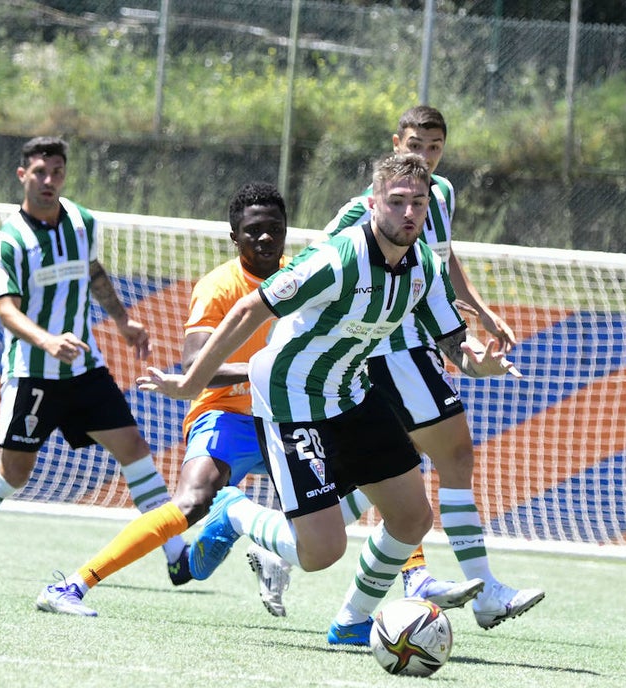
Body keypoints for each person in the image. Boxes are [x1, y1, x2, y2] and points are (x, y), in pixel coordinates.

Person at [138, 153, 521, 646]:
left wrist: (475, 364)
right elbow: (250, 307)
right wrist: (194, 381)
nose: (408, 213)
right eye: (397, 201)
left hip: (350, 392)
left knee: (412, 518)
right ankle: (233, 510)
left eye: (418, 203)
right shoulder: (338, 259)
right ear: (373, 204)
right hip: (290, 400)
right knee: (320, 552)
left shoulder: (424, 264)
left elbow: (453, 341)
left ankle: (353, 622)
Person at [210, 106, 544, 631]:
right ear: (395, 147)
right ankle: (434, 579)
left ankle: (364, 606)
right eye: (415, 146)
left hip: (385, 363)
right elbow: (306, 276)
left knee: (407, 486)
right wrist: (192, 379)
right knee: (440, 460)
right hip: (360, 360)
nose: (423, 159)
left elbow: (442, 257)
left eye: (433, 149)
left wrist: (476, 315)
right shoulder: (354, 224)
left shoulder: (440, 196)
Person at [0, 136, 187, 582]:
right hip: (33, 375)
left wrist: (124, 322)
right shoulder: (10, 239)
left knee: (135, 449)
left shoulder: (83, 223)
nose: (49, 181)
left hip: (85, 369)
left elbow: (93, 271)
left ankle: (178, 554)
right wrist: (47, 342)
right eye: (40, 172)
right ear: (22, 175)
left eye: (57, 172)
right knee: (14, 473)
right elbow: (7, 309)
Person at [34, 181, 291, 616]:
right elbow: (196, 368)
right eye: (253, 231)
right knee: (192, 503)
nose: (265, 238)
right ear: (235, 238)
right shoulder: (219, 288)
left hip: (287, 419)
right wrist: (262, 371)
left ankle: (382, 601)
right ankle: (74, 586)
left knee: (369, 473)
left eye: (275, 229)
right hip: (226, 413)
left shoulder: (301, 276)